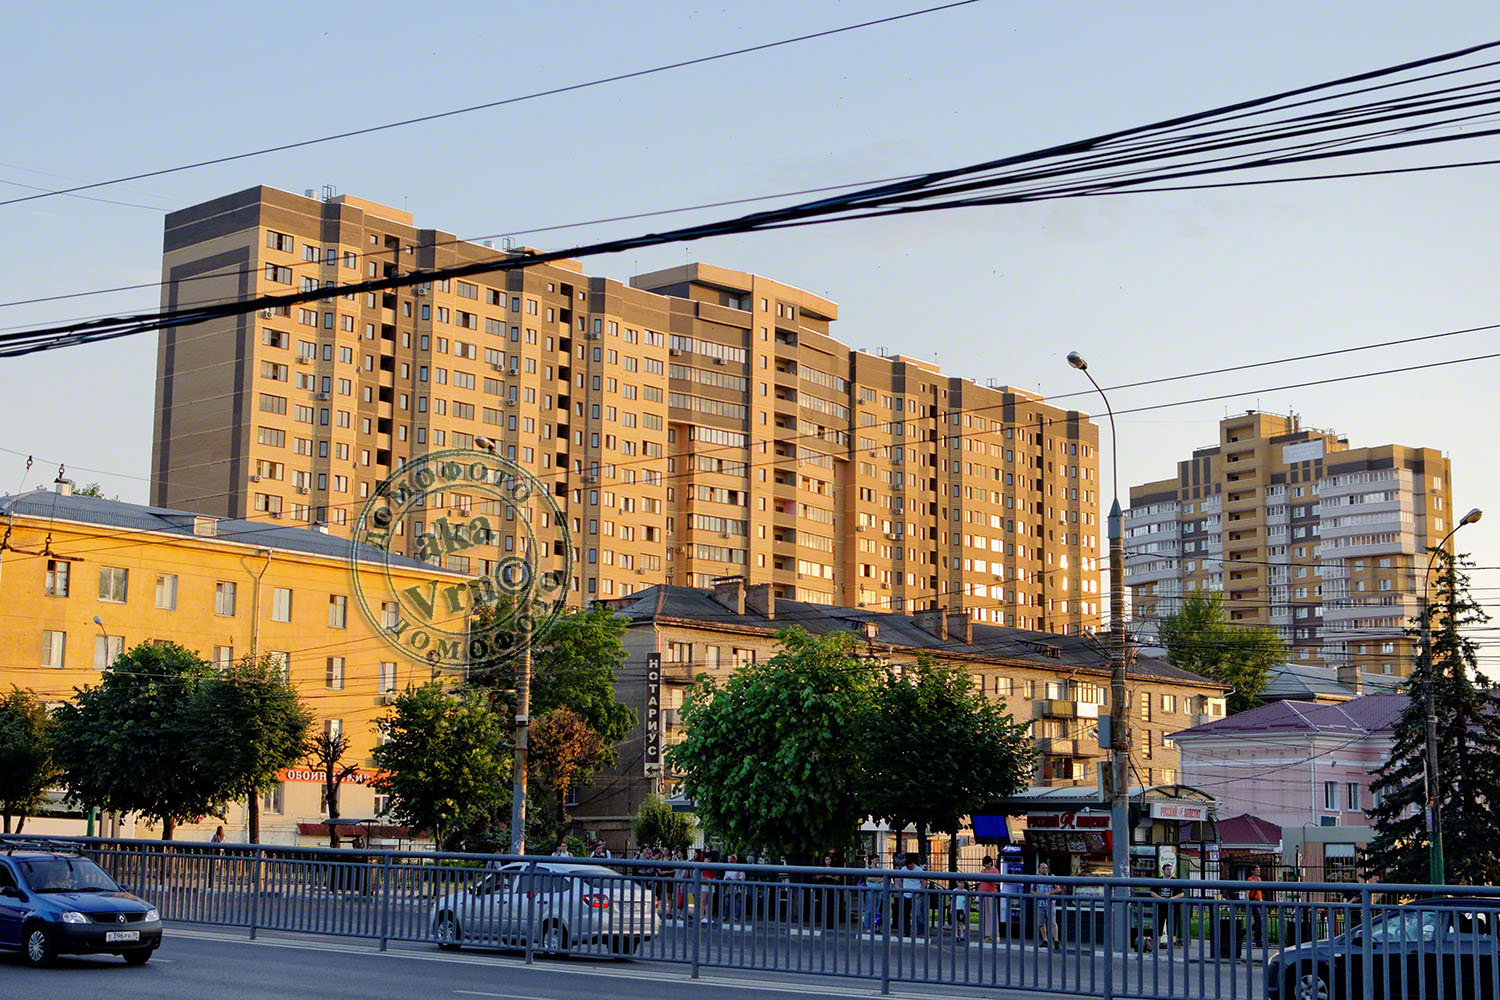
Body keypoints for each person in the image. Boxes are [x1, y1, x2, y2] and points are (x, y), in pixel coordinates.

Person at [1033, 861, 1061, 948]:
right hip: (1040, 903)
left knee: (1052, 922)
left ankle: (1056, 941)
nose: (1045, 869)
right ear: (1039, 869)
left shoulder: (1052, 877)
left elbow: (1058, 889)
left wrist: (1049, 893)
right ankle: (1045, 940)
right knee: (1041, 922)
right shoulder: (1035, 878)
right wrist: (1039, 894)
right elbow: (1031, 891)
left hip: (1050, 903)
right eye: (1043, 868)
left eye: (1046, 868)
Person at [899, 855, 927, 937]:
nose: (909, 868)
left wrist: (919, 892)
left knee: (918, 914)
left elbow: (924, 882)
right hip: (906, 894)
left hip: (916, 894)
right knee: (906, 914)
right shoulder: (903, 869)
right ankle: (906, 931)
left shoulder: (919, 870)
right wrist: (902, 890)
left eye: (910, 866)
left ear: (912, 864)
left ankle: (920, 932)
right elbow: (901, 880)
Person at [1155, 863, 1180, 948]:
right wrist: (1160, 898)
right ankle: (1157, 946)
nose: (1170, 871)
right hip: (1160, 907)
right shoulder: (1158, 880)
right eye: (1167, 869)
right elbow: (1152, 892)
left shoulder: (1175, 881)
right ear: (1163, 871)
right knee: (1159, 927)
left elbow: (1181, 893)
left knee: (1171, 927)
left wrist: (1173, 898)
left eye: (1170, 869)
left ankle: (1170, 947)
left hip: (1172, 907)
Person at [978, 856, 1001, 941]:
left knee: (992, 913)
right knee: (984, 914)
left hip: (991, 894)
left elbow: (997, 882)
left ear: (991, 862)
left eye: (988, 863)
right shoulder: (982, 871)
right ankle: (985, 933)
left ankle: (993, 933)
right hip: (982, 894)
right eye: (985, 864)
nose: (987, 865)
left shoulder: (995, 871)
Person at [1244, 870, 1264, 949]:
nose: (1259, 871)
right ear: (1252, 871)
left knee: (1258, 921)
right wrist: (1247, 902)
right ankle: (1257, 940)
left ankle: (1242, 932)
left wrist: (1261, 900)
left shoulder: (1259, 879)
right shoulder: (1250, 879)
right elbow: (1247, 891)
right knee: (1258, 920)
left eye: (1259, 870)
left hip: (1258, 901)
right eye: (1257, 870)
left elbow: (1260, 891)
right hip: (1253, 901)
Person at [722, 853, 746, 922]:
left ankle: (735, 916)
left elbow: (742, 877)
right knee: (727, 902)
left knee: (737, 902)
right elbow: (725, 877)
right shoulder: (727, 868)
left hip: (736, 886)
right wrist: (726, 880)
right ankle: (725, 915)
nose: (730, 860)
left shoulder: (739, 867)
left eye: (731, 859)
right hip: (729, 886)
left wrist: (736, 880)